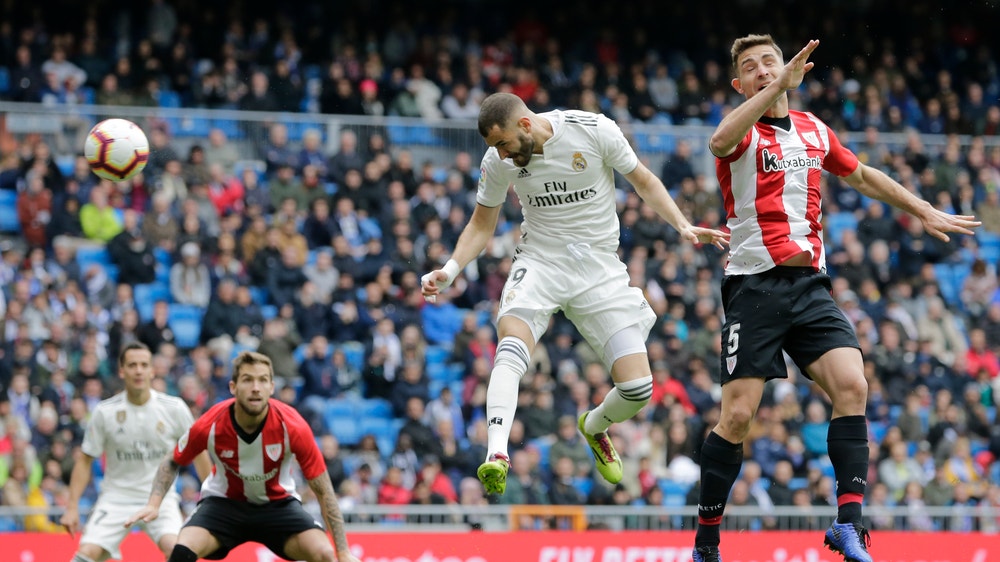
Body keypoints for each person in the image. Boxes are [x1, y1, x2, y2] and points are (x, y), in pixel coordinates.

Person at [691, 35, 980, 562]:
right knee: (736, 418)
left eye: (770, 63)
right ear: (739, 84)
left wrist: (922, 210)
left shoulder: (813, 129)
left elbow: (863, 175)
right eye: (750, 68)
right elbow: (717, 139)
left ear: (788, 67)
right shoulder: (739, 135)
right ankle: (707, 543)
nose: (761, 71)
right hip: (753, 287)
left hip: (809, 287)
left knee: (853, 385)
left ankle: (848, 524)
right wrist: (778, 85)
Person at [420, 92, 728, 495]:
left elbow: (644, 181)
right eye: (494, 148)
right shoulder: (498, 161)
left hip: (598, 269)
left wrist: (682, 225)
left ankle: (594, 425)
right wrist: (450, 268)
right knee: (510, 343)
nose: (501, 154)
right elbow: (481, 224)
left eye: (504, 144)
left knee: (637, 390)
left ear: (525, 125)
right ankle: (496, 454)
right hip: (540, 262)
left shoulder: (594, 130)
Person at [124, 351, 361, 562]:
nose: (255, 387)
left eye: (262, 380)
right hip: (223, 506)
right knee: (181, 551)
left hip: (277, 506)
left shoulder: (294, 426)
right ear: (233, 387)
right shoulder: (211, 424)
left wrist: (343, 552)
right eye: (247, 380)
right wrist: (154, 503)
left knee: (326, 556)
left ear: (271, 387)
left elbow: (324, 490)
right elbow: (173, 459)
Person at [61, 342, 211, 562]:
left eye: (143, 365)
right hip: (116, 497)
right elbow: (84, 461)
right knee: (87, 554)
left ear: (152, 370)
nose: (138, 370)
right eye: (132, 365)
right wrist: (72, 507)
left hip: (161, 498)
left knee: (177, 551)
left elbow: (198, 452)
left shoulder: (174, 408)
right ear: (122, 371)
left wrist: (210, 499)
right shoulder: (105, 412)